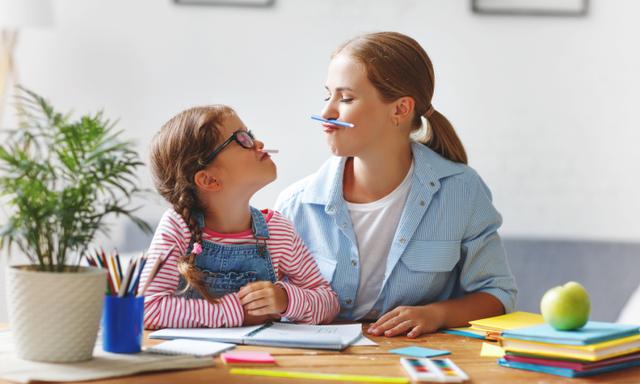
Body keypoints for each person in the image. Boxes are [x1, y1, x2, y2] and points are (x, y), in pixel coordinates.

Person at [275, 32, 517, 338]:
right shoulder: (295, 204)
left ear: (400, 109)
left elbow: (498, 294)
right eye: (328, 96)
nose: (327, 112)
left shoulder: (462, 191)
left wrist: (437, 314)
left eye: (346, 98)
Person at [141, 105, 339, 329]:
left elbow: (328, 302)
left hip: (268, 360)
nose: (258, 144)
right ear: (208, 180)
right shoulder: (178, 227)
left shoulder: (277, 231)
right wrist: (236, 312)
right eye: (242, 139)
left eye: (250, 134)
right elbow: (147, 308)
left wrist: (286, 300)